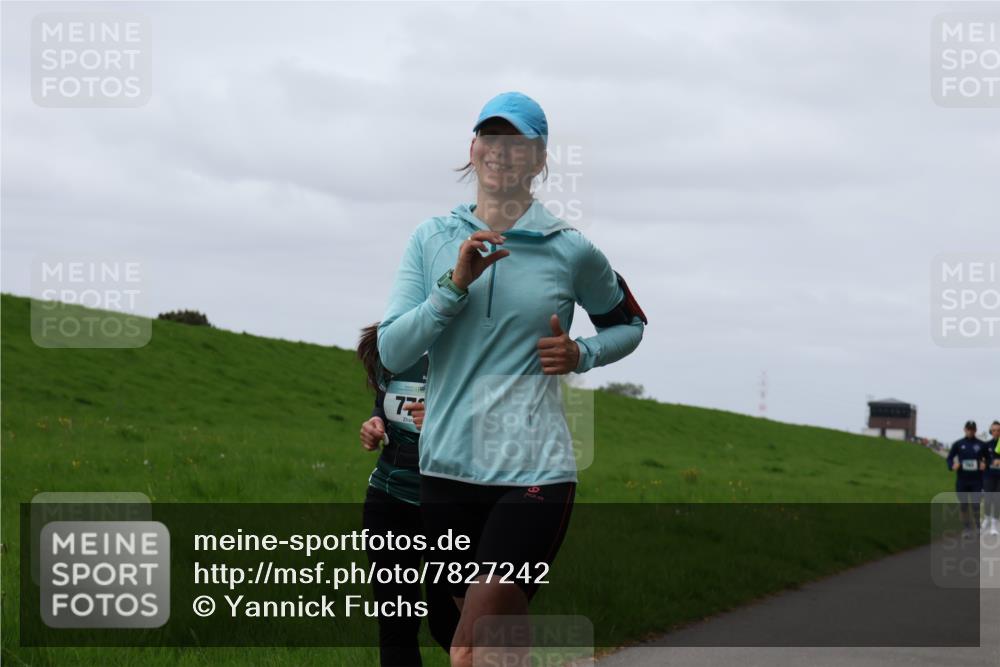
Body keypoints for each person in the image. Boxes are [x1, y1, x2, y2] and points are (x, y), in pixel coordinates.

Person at [377, 91, 646, 666]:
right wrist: (452, 288)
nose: (500, 153)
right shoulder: (430, 239)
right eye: (490, 138)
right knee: (495, 644)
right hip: (446, 468)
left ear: (539, 161)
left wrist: (582, 354)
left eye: (516, 143)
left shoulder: (570, 250)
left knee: (470, 639)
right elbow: (392, 348)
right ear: (472, 149)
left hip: (534, 471)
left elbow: (630, 324)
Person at [356, 323, 459, 666]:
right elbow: (382, 404)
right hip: (388, 502)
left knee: (449, 626)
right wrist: (374, 424)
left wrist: (443, 421)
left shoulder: (466, 353)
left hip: (451, 506)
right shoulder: (396, 354)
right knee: (396, 623)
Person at [947, 420, 988, 536]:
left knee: (976, 505)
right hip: (962, 480)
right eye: (968, 429)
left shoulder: (981, 445)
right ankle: (967, 528)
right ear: (965, 430)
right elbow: (949, 458)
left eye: (972, 429)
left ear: (975, 430)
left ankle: (979, 527)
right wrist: (952, 465)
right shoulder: (958, 444)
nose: (970, 431)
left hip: (977, 480)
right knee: (964, 505)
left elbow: (988, 459)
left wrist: (985, 464)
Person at [981, 420, 1000, 536]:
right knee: (987, 499)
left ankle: (994, 524)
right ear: (990, 431)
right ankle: (987, 519)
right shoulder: (986, 445)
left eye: (998, 430)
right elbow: (982, 460)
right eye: (994, 430)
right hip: (989, 476)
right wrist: (986, 463)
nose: (996, 433)